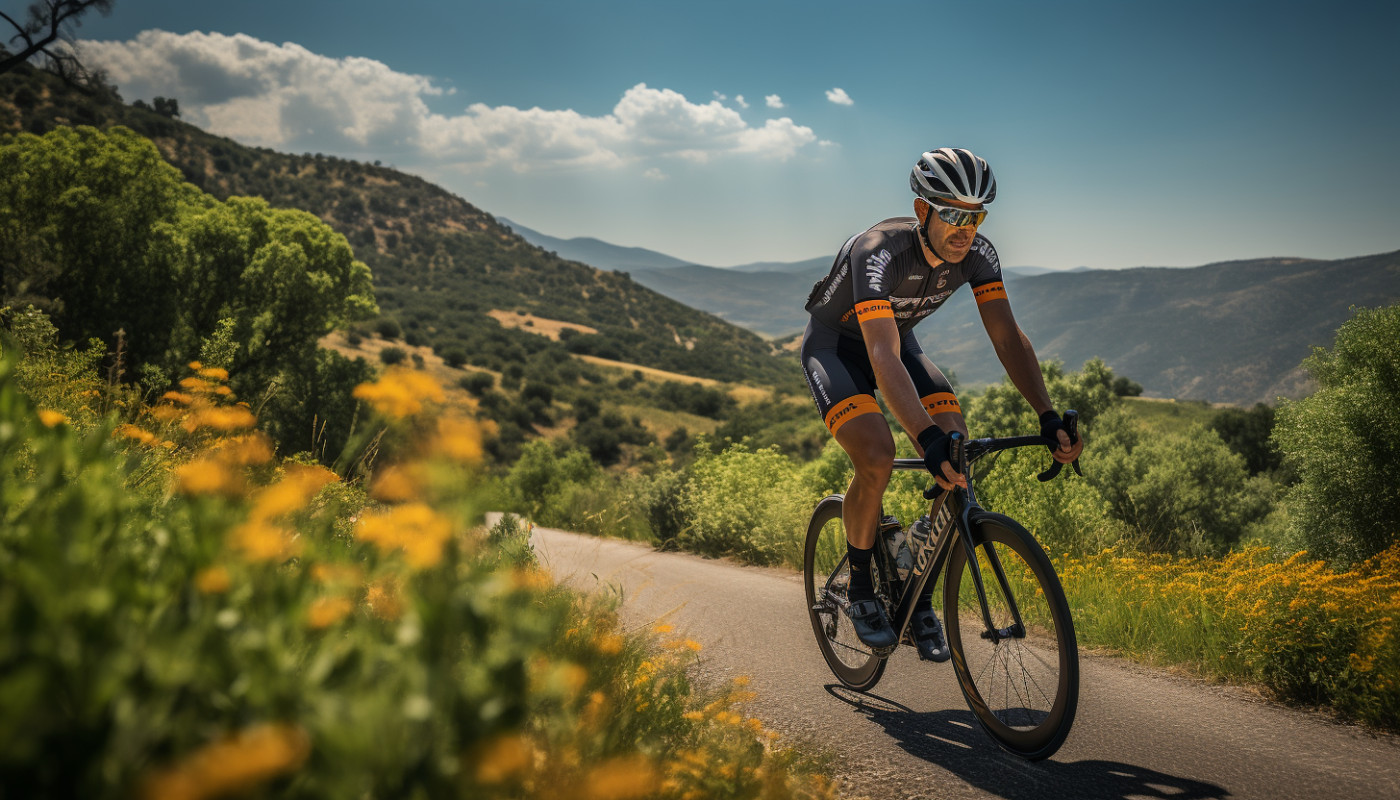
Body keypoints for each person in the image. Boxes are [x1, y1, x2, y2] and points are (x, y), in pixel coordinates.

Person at [801, 147, 1083, 659]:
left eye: (975, 216)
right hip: (837, 349)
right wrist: (922, 435)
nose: (964, 229)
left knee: (956, 449)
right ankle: (862, 588)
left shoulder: (980, 256)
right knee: (878, 455)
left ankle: (919, 595)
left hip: (898, 344)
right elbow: (881, 357)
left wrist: (1046, 413)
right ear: (921, 210)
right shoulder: (879, 251)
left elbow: (1006, 338)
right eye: (952, 213)